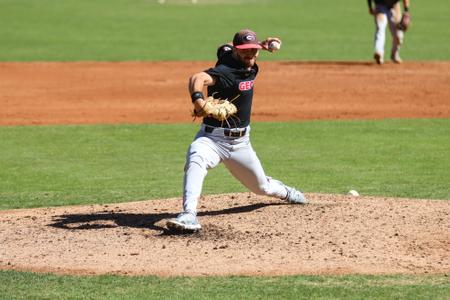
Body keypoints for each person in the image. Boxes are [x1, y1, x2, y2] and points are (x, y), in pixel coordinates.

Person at [166, 29, 307, 232]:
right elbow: (196, 78)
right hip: (212, 139)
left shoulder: (227, 52)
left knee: (261, 188)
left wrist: (263, 45)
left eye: (253, 50)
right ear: (236, 51)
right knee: (196, 157)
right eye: (244, 51)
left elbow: (225, 47)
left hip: (241, 144)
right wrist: (198, 100)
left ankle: (285, 192)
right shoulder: (225, 72)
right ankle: (189, 214)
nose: (249, 55)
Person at [367, 0, 410, 64]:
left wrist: (406, 11)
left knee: (398, 34)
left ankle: (395, 54)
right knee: (380, 26)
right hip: (380, 6)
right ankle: (379, 53)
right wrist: (370, 7)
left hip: (394, 6)